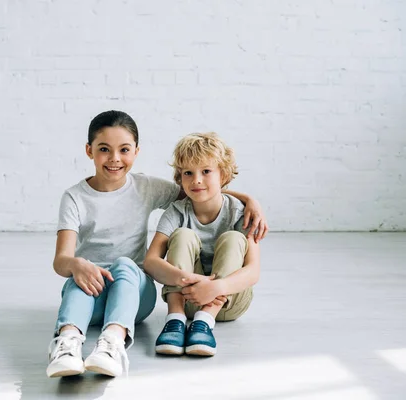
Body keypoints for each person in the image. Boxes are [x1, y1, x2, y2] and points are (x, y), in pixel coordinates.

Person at [47, 112, 267, 378]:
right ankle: (66, 346)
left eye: (124, 150)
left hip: (142, 292)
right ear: (89, 150)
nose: (115, 158)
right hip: (93, 291)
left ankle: (113, 344)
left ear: (136, 152)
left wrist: (248, 199)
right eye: (104, 149)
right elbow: (61, 261)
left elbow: (202, 191)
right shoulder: (74, 197)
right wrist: (76, 263)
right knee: (76, 278)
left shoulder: (146, 187)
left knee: (126, 265)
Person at [144, 132, 262, 357]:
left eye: (206, 171)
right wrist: (188, 279)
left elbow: (253, 271)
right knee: (183, 235)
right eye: (188, 173)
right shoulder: (177, 212)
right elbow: (150, 261)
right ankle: (175, 320)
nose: (196, 179)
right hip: (187, 298)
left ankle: (205, 322)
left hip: (230, 302)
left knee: (234, 238)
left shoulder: (239, 212)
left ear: (223, 174)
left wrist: (218, 287)